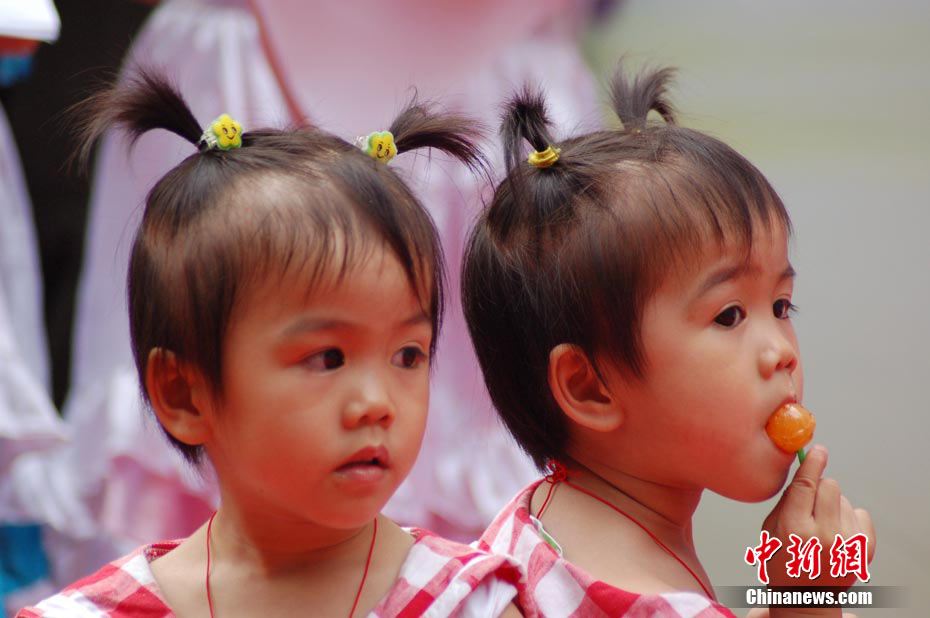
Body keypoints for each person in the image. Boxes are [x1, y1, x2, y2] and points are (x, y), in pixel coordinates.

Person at [18, 68, 521, 617]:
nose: (378, 403)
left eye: (408, 355)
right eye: (329, 358)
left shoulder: (467, 603)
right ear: (184, 394)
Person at [462, 64, 875, 617]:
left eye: (781, 307)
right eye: (729, 316)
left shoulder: (536, 525)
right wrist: (810, 599)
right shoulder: (651, 602)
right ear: (590, 387)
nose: (781, 352)